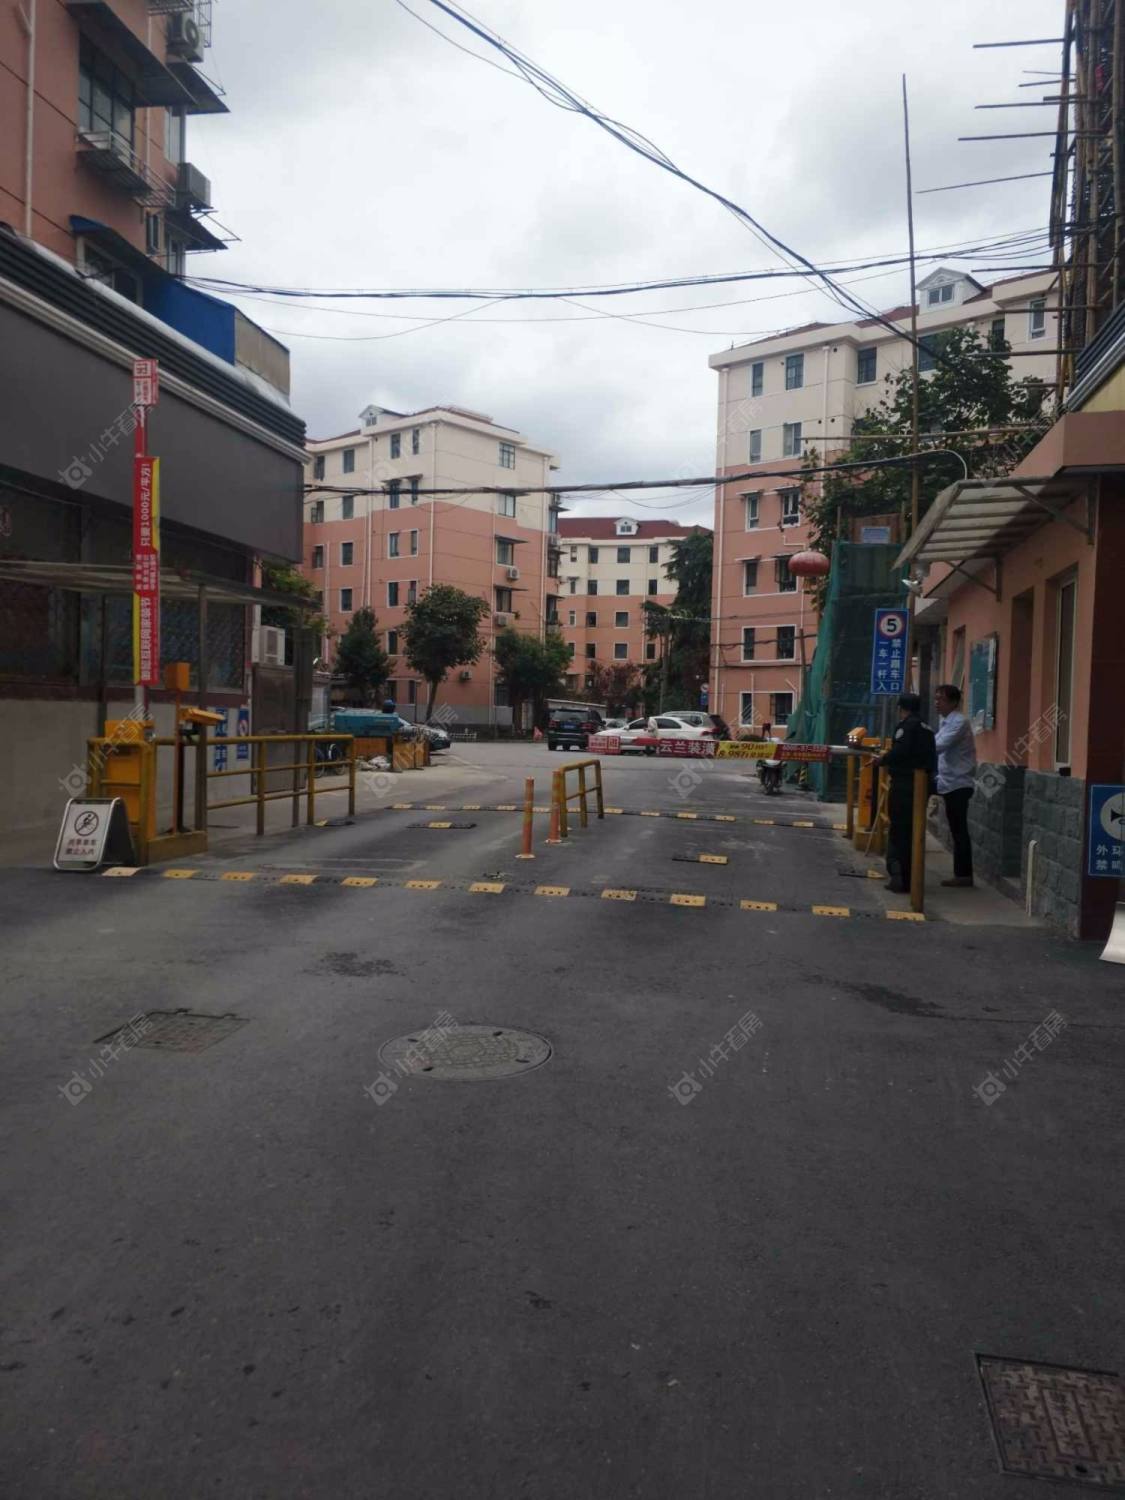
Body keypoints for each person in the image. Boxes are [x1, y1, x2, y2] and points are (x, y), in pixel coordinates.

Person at [878, 692, 937, 894]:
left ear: (901, 708)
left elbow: (900, 752)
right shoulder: (927, 728)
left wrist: (883, 759)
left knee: (899, 831)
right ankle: (912, 878)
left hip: (904, 785)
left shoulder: (906, 727)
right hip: (922, 785)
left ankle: (900, 877)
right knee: (914, 831)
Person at [934, 682, 977, 888]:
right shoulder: (945, 721)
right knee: (956, 828)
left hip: (958, 783)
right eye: (936, 699)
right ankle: (962, 874)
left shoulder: (959, 722)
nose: (936, 703)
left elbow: (939, 745)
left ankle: (964, 875)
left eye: (940, 699)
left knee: (958, 829)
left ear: (953, 702)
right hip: (946, 780)